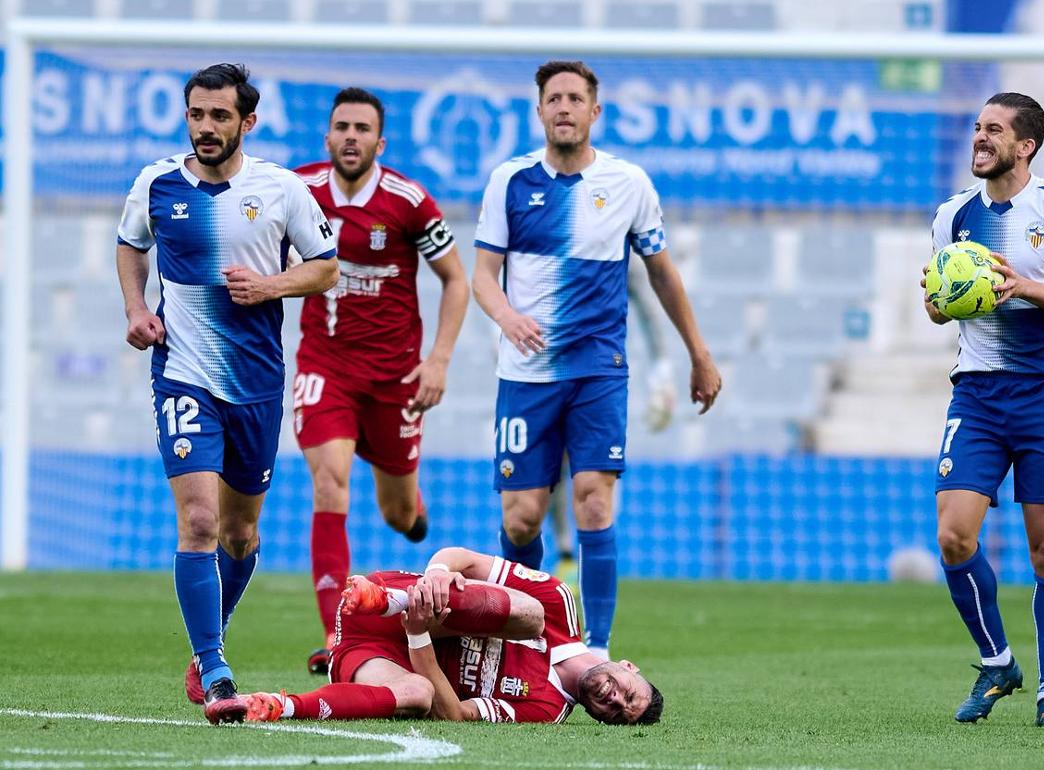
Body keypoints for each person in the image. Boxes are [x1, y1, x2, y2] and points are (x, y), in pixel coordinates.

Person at [471, 60, 722, 660]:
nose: (564, 107)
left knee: (592, 497)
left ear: (594, 111)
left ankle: (596, 649)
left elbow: (661, 273)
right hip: (526, 375)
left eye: (575, 98)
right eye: (553, 98)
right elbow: (482, 275)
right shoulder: (510, 181)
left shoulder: (629, 183)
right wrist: (507, 316)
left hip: (598, 371)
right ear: (539, 111)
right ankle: (526, 640)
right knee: (524, 519)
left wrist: (698, 354)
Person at [116, 63, 339, 724]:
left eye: (219, 116)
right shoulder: (157, 184)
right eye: (196, 114)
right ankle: (215, 668)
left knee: (240, 534)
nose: (206, 127)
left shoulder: (281, 190)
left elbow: (326, 268)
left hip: (255, 385)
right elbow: (131, 245)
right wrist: (134, 307)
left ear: (248, 121)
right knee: (202, 521)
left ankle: (211, 636)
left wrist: (270, 287)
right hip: (182, 374)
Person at [922, 93, 1044, 728]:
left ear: (1024, 146)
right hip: (976, 393)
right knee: (953, 534)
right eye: (977, 127)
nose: (980, 138)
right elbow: (936, 306)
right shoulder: (952, 217)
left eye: (993, 130)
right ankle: (998, 660)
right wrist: (945, 299)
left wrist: (1023, 285)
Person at [292, 88, 469, 676]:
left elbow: (457, 281)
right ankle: (333, 635)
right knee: (329, 485)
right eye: (341, 126)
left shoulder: (409, 201)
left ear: (379, 142)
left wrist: (438, 360)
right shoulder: (300, 191)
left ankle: (412, 511)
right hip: (326, 367)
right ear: (327, 137)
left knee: (397, 515)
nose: (350, 137)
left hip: (396, 379)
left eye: (362, 129)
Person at [238, 546, 663, 725]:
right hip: (387, 597)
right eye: (629, 693)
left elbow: (454, 715)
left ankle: (279, 705)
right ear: (628, 667)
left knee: (418, 696)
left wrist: (418, 637)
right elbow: (459, 558)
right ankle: (388, 600)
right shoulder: (558, 603)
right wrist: (439, 573)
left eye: (618, 713)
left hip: (369, 655)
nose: (615, 700)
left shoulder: (547, 709)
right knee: (529, 614)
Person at [546, 258, 677, 583]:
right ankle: (565, 555)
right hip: (551, 369)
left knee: (600, 470)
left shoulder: (617, 246)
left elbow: (648, 308)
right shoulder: (552, 239)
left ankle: (592, 553)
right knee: (554, 465)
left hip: (604, 375)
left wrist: (661, 371)